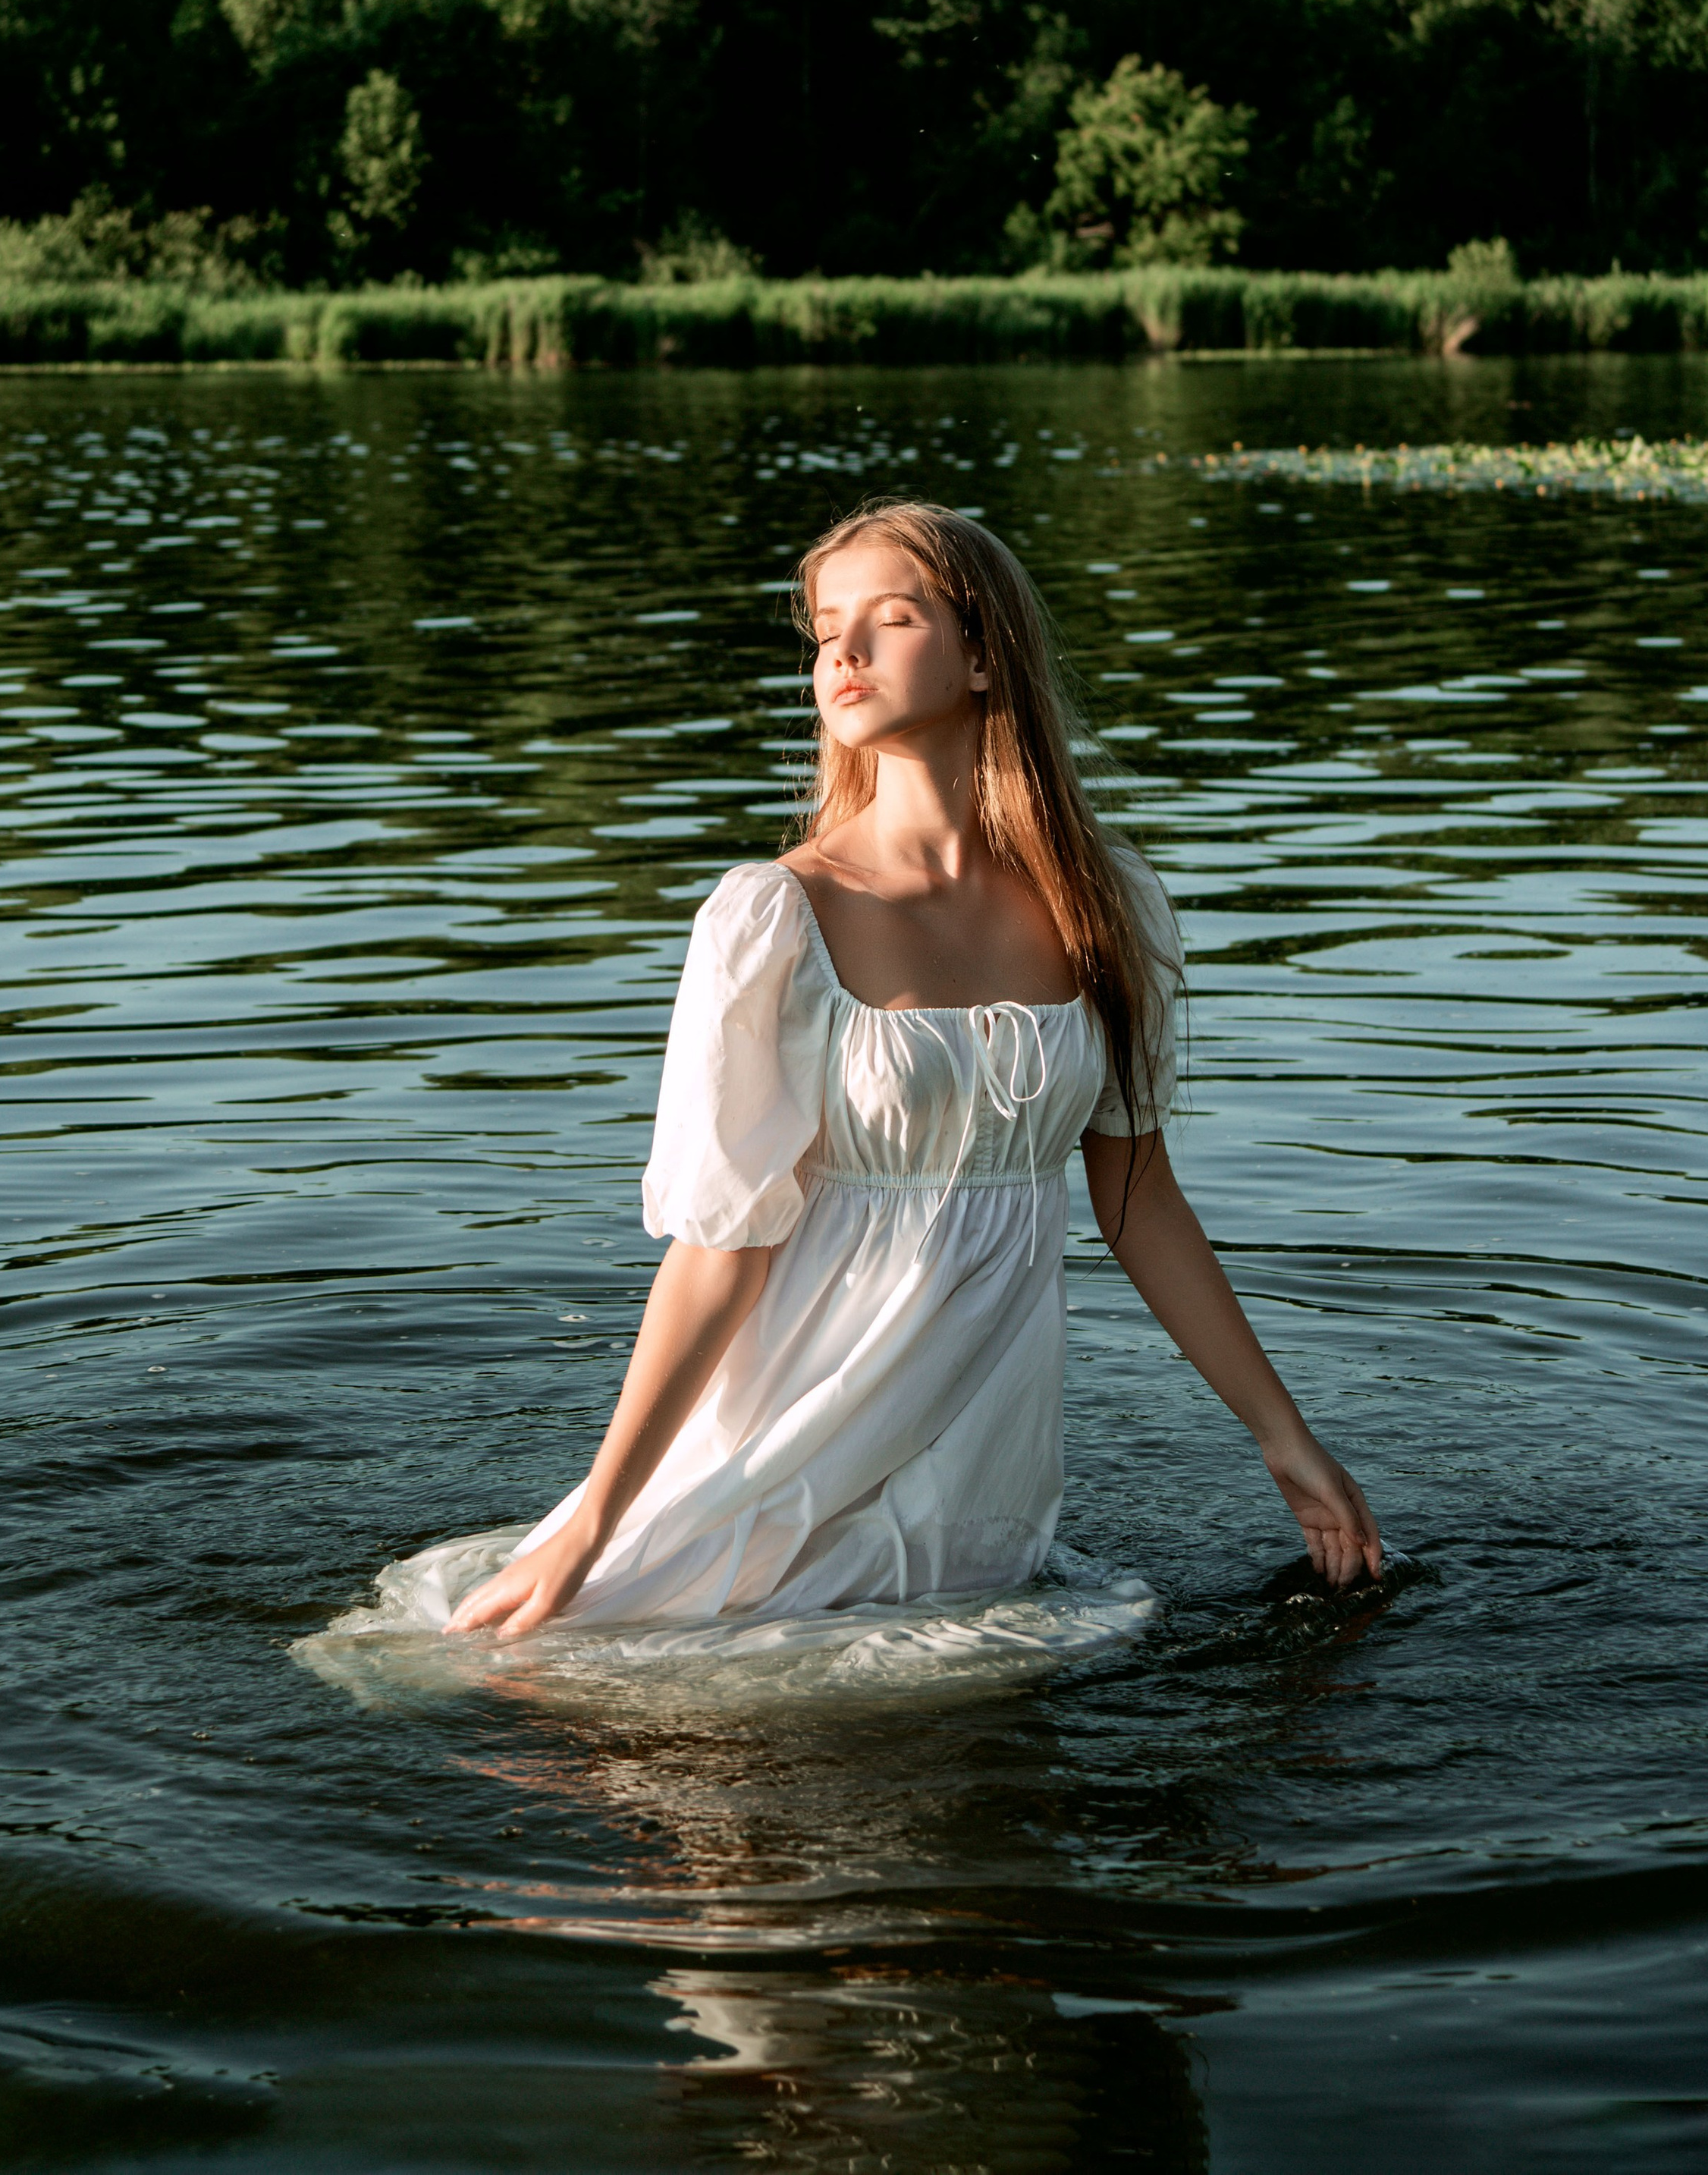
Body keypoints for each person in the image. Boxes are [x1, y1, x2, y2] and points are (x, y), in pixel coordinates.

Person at [444, 501, 1380, 1643]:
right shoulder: (773, 921)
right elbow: (718, 1253)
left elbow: (1139, 1201)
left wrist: (1284, 1438)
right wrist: (597, 1519)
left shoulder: (1107, 904)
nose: (841, 652)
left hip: (982, 1467)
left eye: (890, 618)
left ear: (986, 656)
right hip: (793, 1435)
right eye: (826, 629)